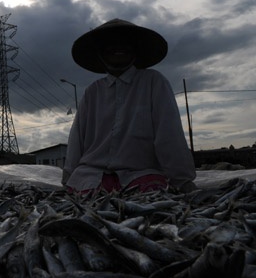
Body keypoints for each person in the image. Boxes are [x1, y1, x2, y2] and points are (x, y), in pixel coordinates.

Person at [62, 18, 197, 193]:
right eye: (111, 44)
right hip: (90, 177)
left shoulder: (153, 82)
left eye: (125, 43)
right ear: (101, 53)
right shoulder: (92, 92)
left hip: (141, 175)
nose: (118, 47)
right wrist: (68, 177)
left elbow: (169, 135)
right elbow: (76, 140)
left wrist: (182, 180)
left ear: (135, 49)